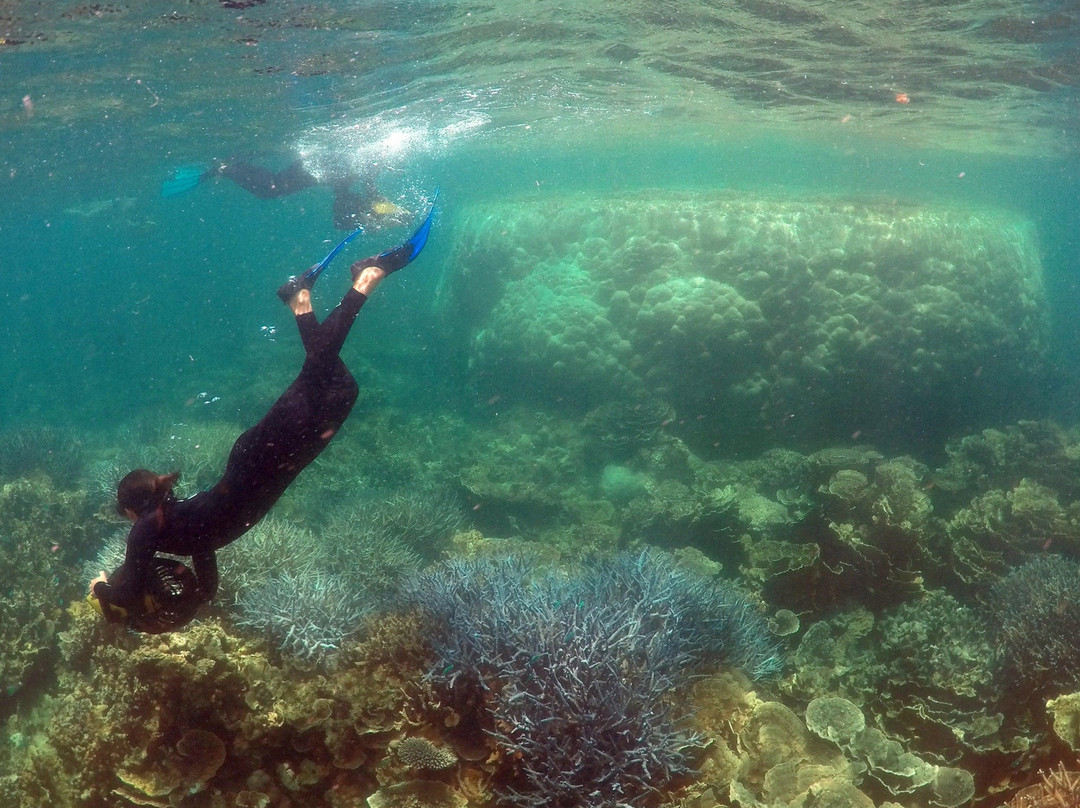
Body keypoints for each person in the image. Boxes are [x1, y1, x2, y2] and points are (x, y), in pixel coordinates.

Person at [88, 196, 438, 633]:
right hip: (267, 458)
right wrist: (195, 593)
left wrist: (99, 586)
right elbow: (207, 581)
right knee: (340, 386)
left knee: (319, 373)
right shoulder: (180, 528)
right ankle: (300, 299)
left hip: (267, 456)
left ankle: (366, 279)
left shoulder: (147, 531)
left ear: (130, 510)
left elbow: (122, 594)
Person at [162, 155, 407, 231]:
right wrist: (372, 218)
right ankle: (226, 168)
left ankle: (233, 165)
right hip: (311, 170)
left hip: (314, 172)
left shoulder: (366, 170)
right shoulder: (364, 167)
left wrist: (388, 214)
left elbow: (365, 197)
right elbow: (348, 204)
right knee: (270, 189)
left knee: (271, 187)